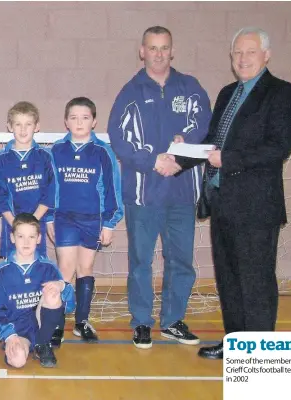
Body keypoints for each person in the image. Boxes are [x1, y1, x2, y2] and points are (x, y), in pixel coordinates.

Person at [173, 27, 291, 360]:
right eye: (237, 53)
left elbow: (278, 147)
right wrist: (180, 154)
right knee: (228, 280)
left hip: (256, 207)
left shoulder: (283, 93)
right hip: (222, 202)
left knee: (256, 284)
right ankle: (236, 345)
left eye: (251, 52)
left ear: (266, 55)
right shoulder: (229, 92)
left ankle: (257, 357)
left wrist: (227, 159)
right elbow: (213, 141)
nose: (243, 59)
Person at [108, 26, 212, 349]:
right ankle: (141, 322)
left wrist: (185, 147)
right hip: (144, 195)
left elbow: (205, 125)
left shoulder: (191, 88)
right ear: (142, 51)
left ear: (172, 50)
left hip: (181, 193)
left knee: (180, 260)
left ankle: (172, 321)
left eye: (164, 47)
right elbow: (119, 139)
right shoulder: (130, 92)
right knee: (141, 261)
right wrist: (153, 160)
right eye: (152, 48)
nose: (158, 53)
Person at [47, 97, 124, 344]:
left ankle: (81, 322)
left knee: (85, 269)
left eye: (85, 117)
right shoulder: (56, 150)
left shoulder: (103, 151)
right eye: (73, 117)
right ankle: (56, 324)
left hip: (93, 220)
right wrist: (49, 217)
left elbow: (113, 189)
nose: (79, 122)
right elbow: (49, 188)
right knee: (65, 269)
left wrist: (110, 222)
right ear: (66, 122)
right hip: (64, 218)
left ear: (94, 121)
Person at [0, 213, 74, 368]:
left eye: (31, 237)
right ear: (12, 238)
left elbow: (69, 306)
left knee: (52, 293)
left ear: (39, 239)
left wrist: (61, 286)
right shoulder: (2, 271)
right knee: (18, 360)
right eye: (21, 236)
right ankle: (27, 346)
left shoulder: (48, 267)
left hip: (41, 326)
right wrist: (9, 335)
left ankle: (43, 343)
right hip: (18, 330)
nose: (26, 242)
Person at [0, 101, 55, 259]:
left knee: (37, 265)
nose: (23, 130)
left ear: (36, 127)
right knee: (12, 265)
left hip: (37, 221)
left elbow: (50, 192)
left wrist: (33, 221)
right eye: (18, 124)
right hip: (12, 224)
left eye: (28, 124)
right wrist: (15, 223)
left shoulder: (45, 157)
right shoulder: (1, 159)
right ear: (9, 126)